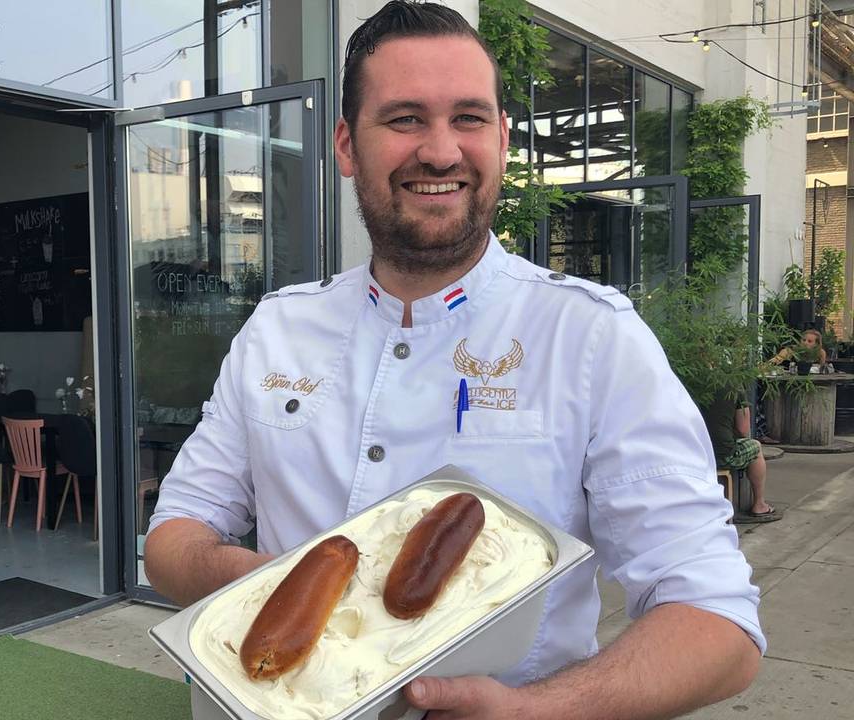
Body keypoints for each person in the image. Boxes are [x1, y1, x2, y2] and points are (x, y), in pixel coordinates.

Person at [144, 3, 762, 717]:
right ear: (346, 145)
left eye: (468, 118)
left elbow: (717, 622)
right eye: (405, 118)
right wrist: (285, 591)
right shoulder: (276, 330)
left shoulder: (590, 337)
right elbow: (175, 536)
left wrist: (542, 710)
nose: (440, 151)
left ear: (501, 140)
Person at [699, 390, 778, 523]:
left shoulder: (692, 382)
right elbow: (743, 429)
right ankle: (759, 504)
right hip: (723, 455)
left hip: (696, 454)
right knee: (756, 446)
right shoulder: (734, 387)